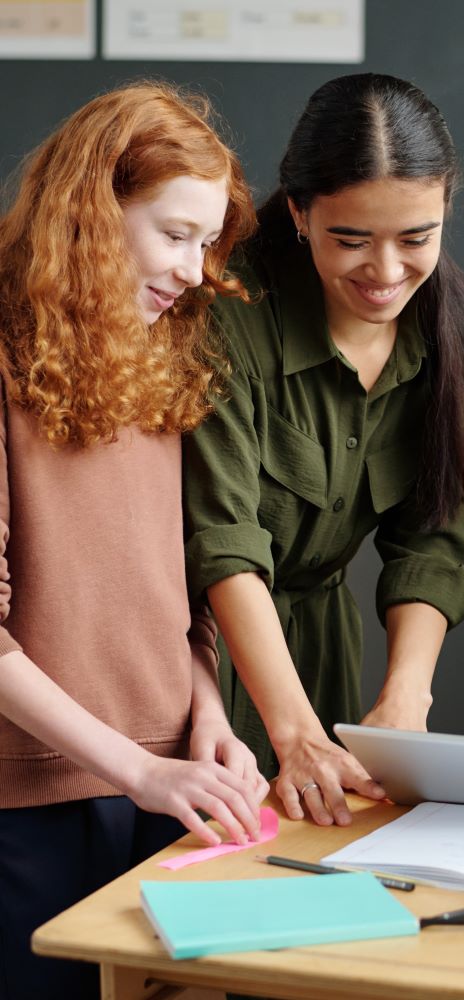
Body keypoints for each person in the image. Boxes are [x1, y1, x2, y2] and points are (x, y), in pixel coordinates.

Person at [0, 83, 269, 1000]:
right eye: (174, 234)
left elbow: (171, 595)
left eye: (207, 244)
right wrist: (141, 766)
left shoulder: (158, 360)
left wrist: (207, 718)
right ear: (88, 212)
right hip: (35, 803)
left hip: (166, 792)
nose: (196, 274)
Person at [183, 73, 464, 829]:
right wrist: (293, 734)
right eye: (351, 240)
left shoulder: (455, 335)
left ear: (446, 206)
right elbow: (223, 543)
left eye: (416, 239)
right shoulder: (228, 313)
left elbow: (431, 541)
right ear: (298, 211)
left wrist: (404, 701)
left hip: (320, 656)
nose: (386, 273)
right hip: (199, 659)